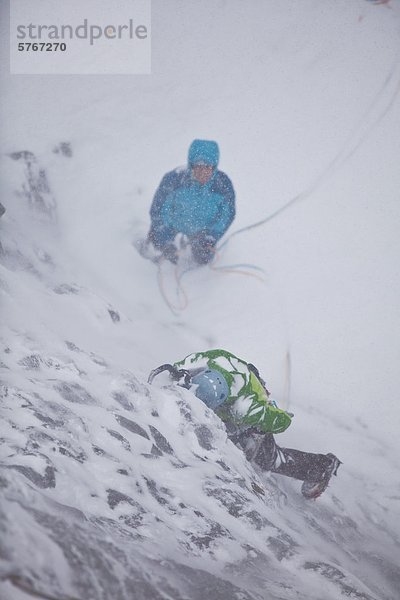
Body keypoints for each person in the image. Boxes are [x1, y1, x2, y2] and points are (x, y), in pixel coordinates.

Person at [148, 349, 341, 499]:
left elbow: (280, 423)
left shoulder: (246, 406)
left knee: (267, 459)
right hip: (240, 381)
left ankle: (321, 467)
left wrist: (277, 415)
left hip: (250, 408)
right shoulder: (190, 367)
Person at [146, 140, 235, 265]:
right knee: (159, 248)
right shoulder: (174, 180)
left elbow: (226, 215)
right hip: (172, 226)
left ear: (214, 167)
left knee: (203, 259)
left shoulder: (222, 184)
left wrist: (211, 236)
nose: (202, 172)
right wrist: (165, 239)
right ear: (190, 165)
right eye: (198, 167)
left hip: (202, 232)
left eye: (207, 167)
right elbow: (158, 210)